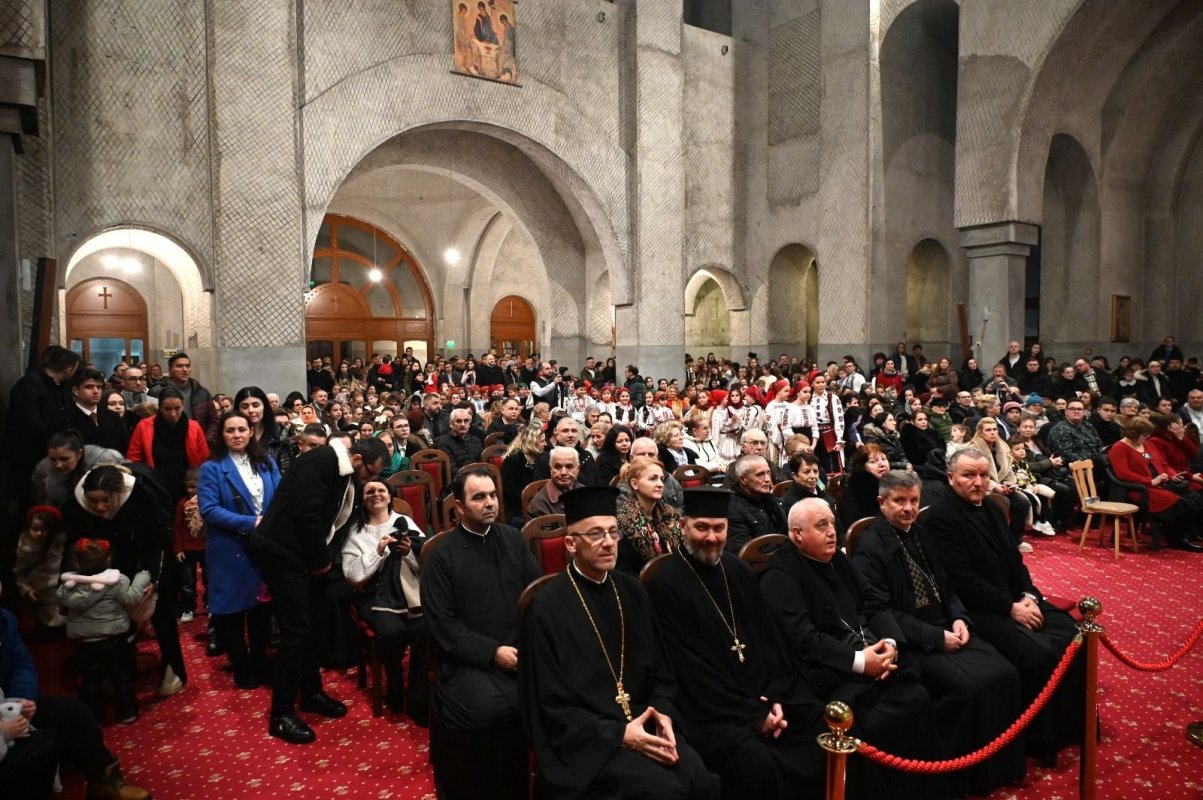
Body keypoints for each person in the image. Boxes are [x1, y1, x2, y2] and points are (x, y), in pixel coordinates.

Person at [519, 485, 720, 799]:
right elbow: (548, 704)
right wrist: (619, 734)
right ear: (571, 543)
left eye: (614, 532)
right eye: (596, 534)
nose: (609, 542)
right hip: (589, 744)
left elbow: (662, 672)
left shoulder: (632, 591)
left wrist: (663, 712)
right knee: (662, 792)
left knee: (701, 779)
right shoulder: (545, 608)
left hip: (645, 721)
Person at [850, 471, 1026, 796]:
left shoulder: (920, 533)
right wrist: (934, 636)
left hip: (946, 626)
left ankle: (997, 769)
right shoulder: (869, 547)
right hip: (915, 640)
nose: (908, 508)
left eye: (914, 501)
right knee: (968, 688)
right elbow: (879, 612)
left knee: (1006, 672)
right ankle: (958, 776)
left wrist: (959, 618)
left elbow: (945, 586)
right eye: (899, 501)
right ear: (881, 502)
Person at [759, 498, 943, 800]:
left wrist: (890, 644)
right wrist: (861, 661)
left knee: (917, 696)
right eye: (821, 526)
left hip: (871, 656)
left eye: (832, 523)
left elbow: (873, 602)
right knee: (874, 723)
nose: (832, 532)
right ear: (796, 535)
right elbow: (805, 640)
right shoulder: (778, 577)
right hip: (827, 674)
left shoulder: (836, 559)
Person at [646, 487, 825, 798]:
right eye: (702, 527)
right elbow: (689, 670)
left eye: (719, 528)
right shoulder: (664, 584)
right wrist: (754, 716)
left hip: (762, 696)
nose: (711, 538)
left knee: (816, 726)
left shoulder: (738, 570)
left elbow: (768, 642)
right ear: (683, 526)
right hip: (710, 710)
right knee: (755, 764)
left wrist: (774, 696)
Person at [923, 448, 1086, 765]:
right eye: (969, 475)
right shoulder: (940, 518)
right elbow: (961, 580)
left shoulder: (994, 508)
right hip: (978, 610)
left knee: (1073, 633)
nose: (978, 482)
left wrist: (1028, 594)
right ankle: (1038, 740)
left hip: (1013, 598)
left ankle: (1069, 726)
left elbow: (1015, 559)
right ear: (951, 477)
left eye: (984, 475)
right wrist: (1011, 608)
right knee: (1037, 654)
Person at [249, 436, 389, 744]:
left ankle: (310, 692)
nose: (371, 480)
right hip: (282, 553)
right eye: (370, 473)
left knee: (315, 624)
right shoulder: (323, 461)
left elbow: (333, 522)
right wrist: (320, 562)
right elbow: (307, 516)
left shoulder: (343, 473)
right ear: (356, 460)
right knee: (296, 631)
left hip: (305, 557)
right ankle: (281, 714)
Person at [420, 467, 541, 799]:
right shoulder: (441, 556)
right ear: (459, 507)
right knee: (487, 713)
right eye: (478, 497)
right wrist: (493, 653)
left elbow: (535, 597)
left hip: (520, 652)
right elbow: (443, 625)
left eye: (492, 495)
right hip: (468, 660)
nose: (489, 503)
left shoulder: (514, 539)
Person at [0, 595, 151, 799]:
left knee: (72, 712)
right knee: (31, 753)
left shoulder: (4, 619)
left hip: (7, 704)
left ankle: (103, 779)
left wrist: (19, 700)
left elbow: (21, 665)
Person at [62, 463, 186, 697]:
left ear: (118, 493)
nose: (99, 507)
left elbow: (159, 538)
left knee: (162, 613)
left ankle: (173, 666)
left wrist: (155, 579)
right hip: (106, 559)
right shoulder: (75, 505)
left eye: (106, 500)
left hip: (146, 552)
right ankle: (124, 669)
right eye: (93, 500)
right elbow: (71, 544)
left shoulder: (142, 493)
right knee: (117, 614)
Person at [199, 411, 281, 689]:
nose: (236, 435)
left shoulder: (266, 462)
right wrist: (251, 522)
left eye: (241, 430)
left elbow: (280, 497)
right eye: (230, 430)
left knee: (261, 610)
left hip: (264, 546)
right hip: (230, 547)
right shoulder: (212, 467)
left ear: (251, 432)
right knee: (232, 613)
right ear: (222, 435)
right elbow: (209, 510)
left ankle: (260, 661)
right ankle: (242, 667)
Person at [341, 479, 426, 715]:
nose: (376, 494)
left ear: (390, 497)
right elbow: (353, 577)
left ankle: (418, 694)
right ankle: (395, 684)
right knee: (391, 631)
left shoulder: (405, 522)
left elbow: (425, 562)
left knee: (424, 628)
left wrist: (408, 553)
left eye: (381, 490)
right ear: (362, 500)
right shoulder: (355, 532)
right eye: (370, 491)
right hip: (374, 595)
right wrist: (378, 552)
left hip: (408, 590)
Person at [58, 538, 151, 724]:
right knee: (121, 675)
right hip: (113, 637)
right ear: (108, 560)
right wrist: (143, 577)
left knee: (90, 680)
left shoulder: (67, 587)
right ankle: (128, 712)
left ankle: (94, 716)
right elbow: (131, 598)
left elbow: (62, 608)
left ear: (76, 561)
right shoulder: (116, 581)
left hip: (84, 641)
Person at [1108, 416, 1203, 551]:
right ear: (1134, 433)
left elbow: (1153, 461)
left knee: (1194, 497)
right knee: (1179, 501)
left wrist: (1171, 474)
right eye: (1145, 434)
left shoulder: (1144, 445)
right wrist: (1150, 481)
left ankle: (1183, 534)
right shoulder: (1120, 448)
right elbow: (1123, 474)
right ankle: (1177, 538)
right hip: (1140, 489)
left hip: (1158, 484)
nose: (1147, 437)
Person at [2, 345, 80, 505]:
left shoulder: (62, 387)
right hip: (28, 456)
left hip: (54, 453)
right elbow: (31, 423)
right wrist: (57, 441)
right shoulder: (28, 386)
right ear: (68, 369)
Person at [615, 458, 683, 576]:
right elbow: (623, 571)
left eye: (661, 479)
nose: (660, 484)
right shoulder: (623, 521)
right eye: (653, 478)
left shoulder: (670, 513)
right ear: (635, 484)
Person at [32, 429, 125, 508]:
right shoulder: (43, 469)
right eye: (52, 459)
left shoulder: (104, 459)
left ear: (79, 454)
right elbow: (41, 499)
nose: (58, 465)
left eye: (64, 459)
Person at [148, 352, 219, 445]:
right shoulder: (156, 392)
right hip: (165, 444)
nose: (185, 369)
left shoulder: (202, 392)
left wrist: (206, 440)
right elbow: (149, 423)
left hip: (195, 442)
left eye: (187, 366)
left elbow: (214, 420)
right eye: (179, 366)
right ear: (170, 370)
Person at [725, 454, 787, 553]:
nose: (768, 479)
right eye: (760, 474)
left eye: (768, 473)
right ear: (743, 479)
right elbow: (743, 553)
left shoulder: (771, 500)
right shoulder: (732, 509)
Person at [60, 368, 129, 453]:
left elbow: (124, 447)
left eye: (99, 387)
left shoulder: (113, 417)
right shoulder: (64, 419)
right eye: (89, 387)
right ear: (76, 391)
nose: (96, 391)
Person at [172, 468, 207, 624]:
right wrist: (178, 549)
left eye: (194, 487)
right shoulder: (182, 504)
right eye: (188, 487)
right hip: (188, 549)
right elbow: (177, 528)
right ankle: (188, 607)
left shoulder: (208, 502)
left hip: (206, 547)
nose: (190, 490)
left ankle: (210, 603)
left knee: (210, 578)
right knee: (187, 581)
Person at [525, 446, 583, 518]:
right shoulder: (538, 505)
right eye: (558, 467)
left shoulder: (586, 493)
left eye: (569, 466)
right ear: (550, 469)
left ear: (578, 469)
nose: (563, 472)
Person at [434, 406, 484, 472]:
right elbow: (451, 470)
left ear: (469, 424)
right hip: (458, 479)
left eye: (466, 421)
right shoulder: (443, 443)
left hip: (478, 477)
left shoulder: (476, 441)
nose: (463, 424)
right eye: (458, 421)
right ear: (451, 424)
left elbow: (483, 464)